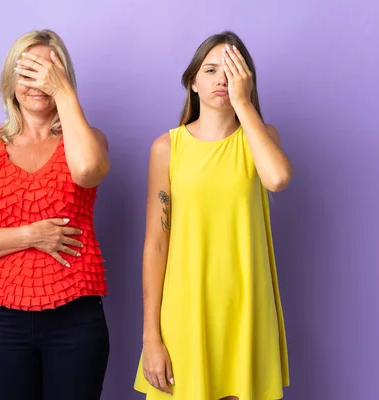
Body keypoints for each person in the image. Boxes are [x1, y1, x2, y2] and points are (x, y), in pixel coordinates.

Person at [0, 29, 110, 400]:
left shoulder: (89, 140)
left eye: (48, 71)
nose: (37, 83)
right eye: (27, 71)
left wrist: (63, 91)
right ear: (10, 80)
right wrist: (31, 235)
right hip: (2, 323)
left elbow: (86, 172)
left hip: (76, 319)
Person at [134, 31, 292, 400]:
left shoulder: (261, 137)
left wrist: (243, 102)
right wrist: (150, 336)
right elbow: (156, 245)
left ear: (247, 80)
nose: (222, 78)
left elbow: (278, 178)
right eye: (211, 69)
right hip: (185, 309)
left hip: (247, 307)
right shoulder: (167, 148)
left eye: (233, 71)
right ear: (193, 81)